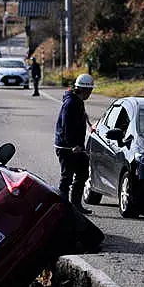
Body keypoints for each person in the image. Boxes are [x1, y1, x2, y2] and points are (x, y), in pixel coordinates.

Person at [54, 73, 95, 215]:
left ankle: (76, 204)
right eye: (89, 91)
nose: (90, 94)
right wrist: (73, 145)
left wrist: (89, 125)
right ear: (82, 89)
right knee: (67, 176)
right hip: (67, 147)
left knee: (83, 173)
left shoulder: (78, 102)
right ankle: (63, 205)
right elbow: (66, 127)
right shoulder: (70, 103)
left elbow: (81, 117)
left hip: (77, 146)